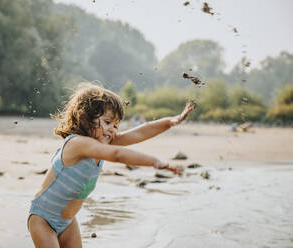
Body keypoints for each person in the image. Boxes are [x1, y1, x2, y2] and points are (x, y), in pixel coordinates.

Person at [28, 82, 196, 248]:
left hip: (67, 221)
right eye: (107, 122)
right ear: (85, 118)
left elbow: (139, 132)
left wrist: (170, 122)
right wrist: (154, 161)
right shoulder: (78, 144)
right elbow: (117, 154)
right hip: (43, 219)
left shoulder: (104, 140)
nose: (112, 130)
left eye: (115, 125)